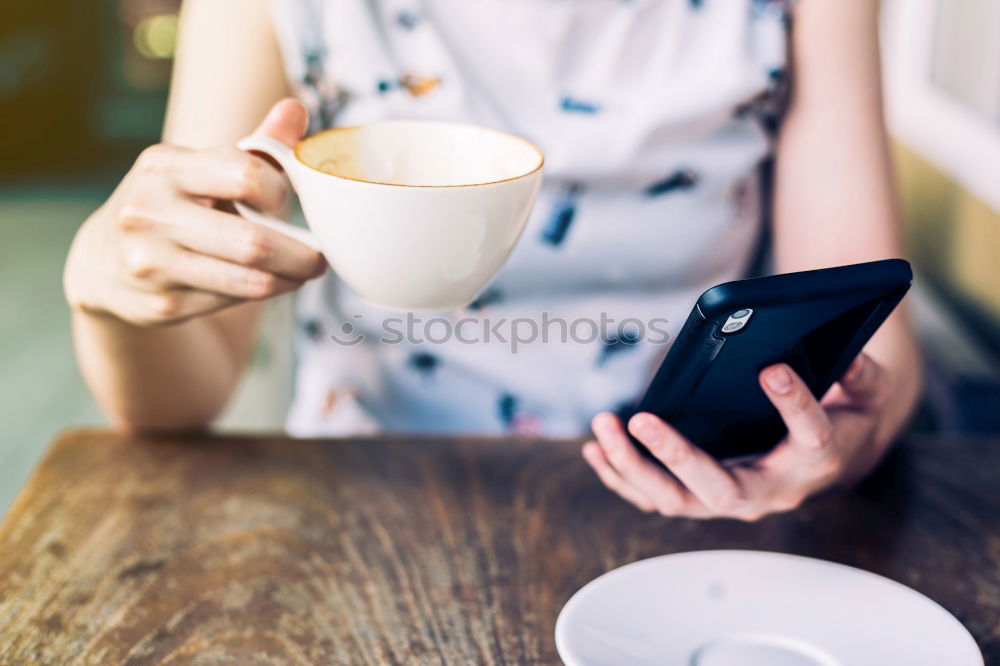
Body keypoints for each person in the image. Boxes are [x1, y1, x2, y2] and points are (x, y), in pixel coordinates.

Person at [64, 0, 921, 521]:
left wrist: (843, 438)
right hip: (364, 497)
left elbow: (871, 328)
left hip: (706, 494)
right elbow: (183, 395)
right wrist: (111, 299)